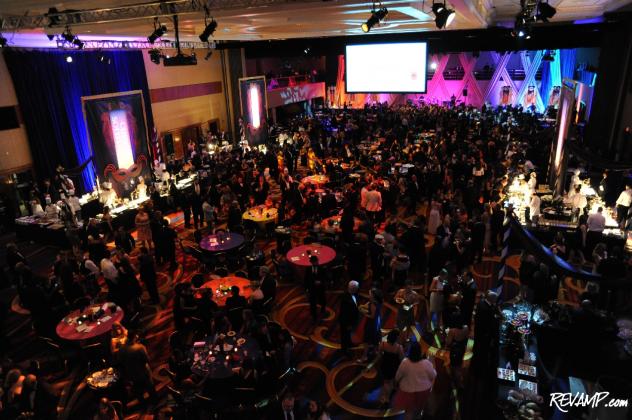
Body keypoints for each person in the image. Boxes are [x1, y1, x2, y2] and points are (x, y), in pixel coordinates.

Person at [392, 342, 436, 420]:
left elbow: (398, 376)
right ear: (420, 352)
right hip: (423, 391)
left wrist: (395, 383)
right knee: (419, 410)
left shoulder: (405, 362)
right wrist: (432, 362)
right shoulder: (426, 363)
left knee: (408, 412)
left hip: (408, 391)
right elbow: (433, 375)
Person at [118, 333, 157, 407]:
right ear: (134, 337)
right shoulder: (140, 347)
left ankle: (143, 405)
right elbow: (147, 360)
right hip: (143, 372)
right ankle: (155, 403)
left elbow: (120, 363)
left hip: (131, 375)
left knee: (138, 392)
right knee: (150, 389)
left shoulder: (121, 350)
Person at [378, 329, 405, 405]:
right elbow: (402, 359)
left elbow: (379, 354)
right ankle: (387, 397)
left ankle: (384, 396)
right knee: (390, 381)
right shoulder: (399, 348)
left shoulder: (383, 344)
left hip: (384, 365)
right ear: (396, 338)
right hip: (394, 367)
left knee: (386, 381)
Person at [359, 288, 382, 363]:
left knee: (367, 340)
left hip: (371, 323)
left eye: (370, 294)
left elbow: (372, 316)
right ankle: (375, 351)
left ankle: (364, 357)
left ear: (373, 296)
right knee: (375, 337)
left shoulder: (373, 304)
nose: (369, 295)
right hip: (377, 322)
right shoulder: (377, 301)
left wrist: (364, 313)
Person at [339, 280, 360, 357]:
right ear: (353, 289)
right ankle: (344, 350)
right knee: (344, 336)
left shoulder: (354, 294)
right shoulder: (345, 299)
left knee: (348, 334)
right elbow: (345, 314)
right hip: (346, 322)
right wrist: (348, 324)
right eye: (357, 288)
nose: (358, 289)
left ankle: (349, 343)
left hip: (351, 320)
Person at [304, 255, 326, 323]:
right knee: (312, 304)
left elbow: (325, 278)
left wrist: (320, 282)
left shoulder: (322, 268)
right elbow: (306, 279)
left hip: (320, 289)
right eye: (313, 262)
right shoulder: (308, 269)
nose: (315, 263)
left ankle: (323, 310)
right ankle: (314, 317)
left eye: (315, 262)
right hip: (312, 289)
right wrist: (306, 289)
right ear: (311, 262)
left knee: (322, 300)